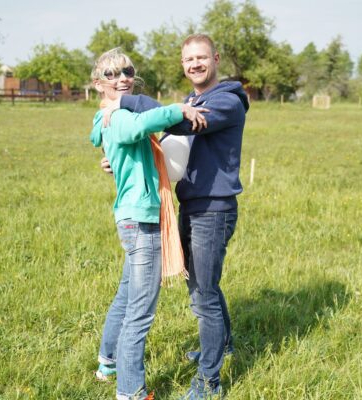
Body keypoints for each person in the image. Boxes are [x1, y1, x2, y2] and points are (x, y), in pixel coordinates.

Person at [102, 34, 249, 399]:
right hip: (192, 205)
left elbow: (182, 125)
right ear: (183, 65)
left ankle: (209, 381)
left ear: (216, 58)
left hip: (213, 209)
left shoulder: (227, 101)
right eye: (189, 60)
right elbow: (166, 142)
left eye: (201, 57)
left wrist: (124, 100)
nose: (195, 64)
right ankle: (222, 346)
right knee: (204, 287)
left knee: (203, 296)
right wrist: (119, 161)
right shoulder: (192, 100)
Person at [89, 47, 207, 400]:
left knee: (127, 295)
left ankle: (108, 362)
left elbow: (127, 136)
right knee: (139, 312)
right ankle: (131, 391)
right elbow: (139, 126)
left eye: (127, 71)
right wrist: (179, 108)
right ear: (98, 83)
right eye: (111, 74)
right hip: (140, 220)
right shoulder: (117, 116)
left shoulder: (110, 115)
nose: (121, 78)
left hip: (131, 218)